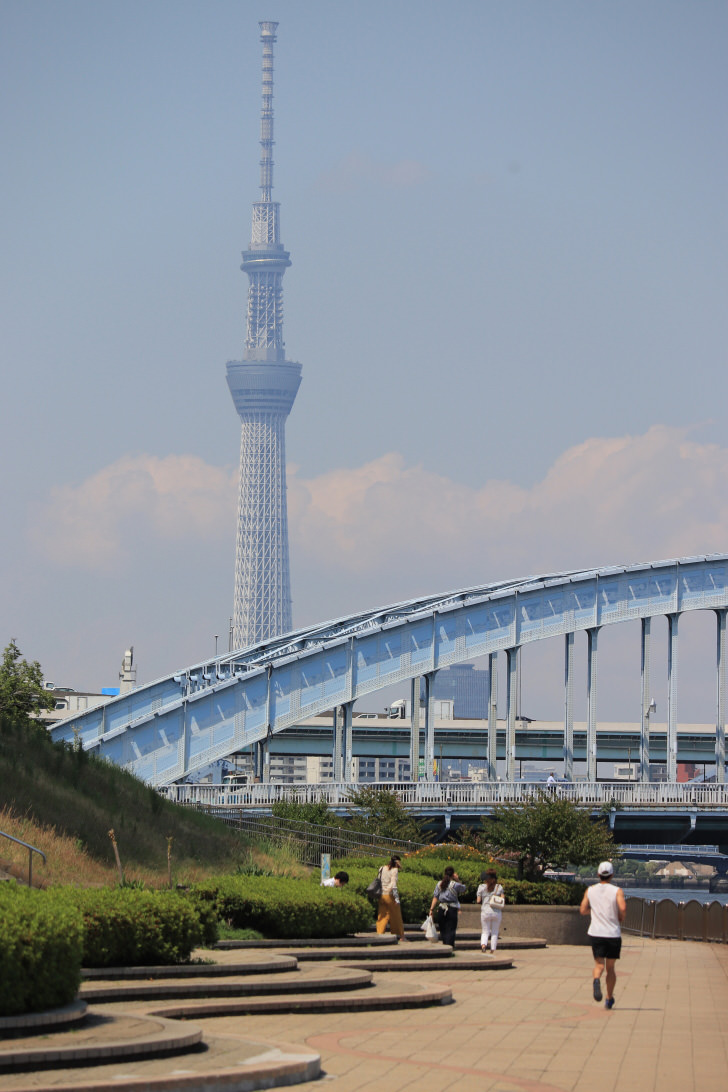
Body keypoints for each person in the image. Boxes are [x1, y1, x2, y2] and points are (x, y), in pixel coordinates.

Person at [579, 860, 626, 1009]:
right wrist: (619, 918)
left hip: (596, 933)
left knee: (599, 964)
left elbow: (582, 909)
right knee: (611, 968)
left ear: (598, 874)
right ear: (611, 875)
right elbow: (623, 909)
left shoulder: (590, 890)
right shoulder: (617, 891)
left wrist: (592, 912)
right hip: (612, 933)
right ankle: (609, 998)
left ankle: (596, 979)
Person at [429, 866, 467, 949]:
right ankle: (450, 946)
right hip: (452, 909)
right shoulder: (455, 885)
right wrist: (457, 879)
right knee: (451, 929)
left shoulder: (439, 884)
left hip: (441, 908)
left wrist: (431, 909)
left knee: (443, 928)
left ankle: (445, 944)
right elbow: (464, 889)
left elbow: (435, 897)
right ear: (453, 874)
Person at [376, 856, 406, 941]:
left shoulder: (382, 868)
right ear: (397, 863)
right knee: (396, 916)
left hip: (381, 895)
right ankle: (401, 936)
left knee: (382, 916)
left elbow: (378, 880)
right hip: (390, 895)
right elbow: (393, 885)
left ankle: (380, 933)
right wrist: (396, 898)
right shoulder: (394, 870)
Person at [477, 869, 505, 954]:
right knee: (494, 932)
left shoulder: (481, 887)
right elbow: (503, 899)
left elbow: (478, 901)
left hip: (485, 912)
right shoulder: (499, 887)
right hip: (496, 912)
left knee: (485, 931)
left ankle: (483, 946)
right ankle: (492, 949)